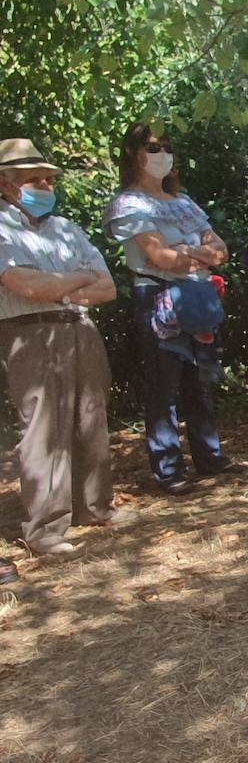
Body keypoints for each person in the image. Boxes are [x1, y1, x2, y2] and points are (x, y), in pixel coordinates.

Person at [0, 138, 129, 557]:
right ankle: (44, 529)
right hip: (29, 334)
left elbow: (107, 287)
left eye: (47, 179)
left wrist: (58, 286)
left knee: (91, 416)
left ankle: (95, 506)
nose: (43, 186)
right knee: (43, 427)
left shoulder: (66, 228)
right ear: (6, 184)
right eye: (31, 179)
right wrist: (74, 280)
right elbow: (27, 286)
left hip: (80, 326)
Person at [104, 122, 244, 495]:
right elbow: (160, 258)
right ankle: (168, 470)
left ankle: (209, 457)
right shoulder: (127, 204)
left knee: (199, 382)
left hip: (197, 297)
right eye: (152, 147)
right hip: (158, 299)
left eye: (166, 146)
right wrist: (193, 255)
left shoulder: (184, 203)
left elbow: (222, 251)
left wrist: (185, 254)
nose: (161, 153)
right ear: (132, 154)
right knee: (164, 386)